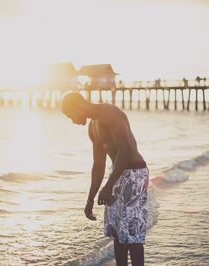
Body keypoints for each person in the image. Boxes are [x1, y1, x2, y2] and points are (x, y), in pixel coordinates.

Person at [61, 92, 149, 266]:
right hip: (116, 173)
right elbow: (98, 165)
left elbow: (125, 150)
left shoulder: (109, 113)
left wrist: (109, 186)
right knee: (117, 232)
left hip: (134, 173)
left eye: (71, 115)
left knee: (132, 233)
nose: (73, 121)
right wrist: (90, 198)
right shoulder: (92, 127)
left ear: (78, 106)